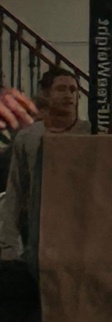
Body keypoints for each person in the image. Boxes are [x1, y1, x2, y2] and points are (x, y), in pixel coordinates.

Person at [0, 68, 91, 263]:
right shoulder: (29, 137)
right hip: (39, 225)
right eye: (61, 89)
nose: (68, 95)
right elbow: (15, 189)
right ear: (47, 94)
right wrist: (8, 244)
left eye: (73, 90)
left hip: (81, 226)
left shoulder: (90, 134)